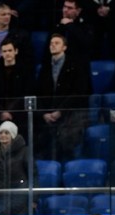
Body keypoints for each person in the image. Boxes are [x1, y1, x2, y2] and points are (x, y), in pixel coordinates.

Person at [32, 33, 91, 163]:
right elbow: (38, 93)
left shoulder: (75, 66)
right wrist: (44, 113)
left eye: (57, 43)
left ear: (64, 47)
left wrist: (60, 111)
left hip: (70, 115)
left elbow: (78, 92)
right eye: (51, 43)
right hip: (48, 115)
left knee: (66, 142)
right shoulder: (45, 67)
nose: (53, 45)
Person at [0, 120, 29, 215]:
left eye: (6, 133)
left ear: (13, 135)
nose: (3, 135)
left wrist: (34, 199)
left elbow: (33, 175)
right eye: (0, 132)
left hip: (20, 198)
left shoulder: (24, 151)